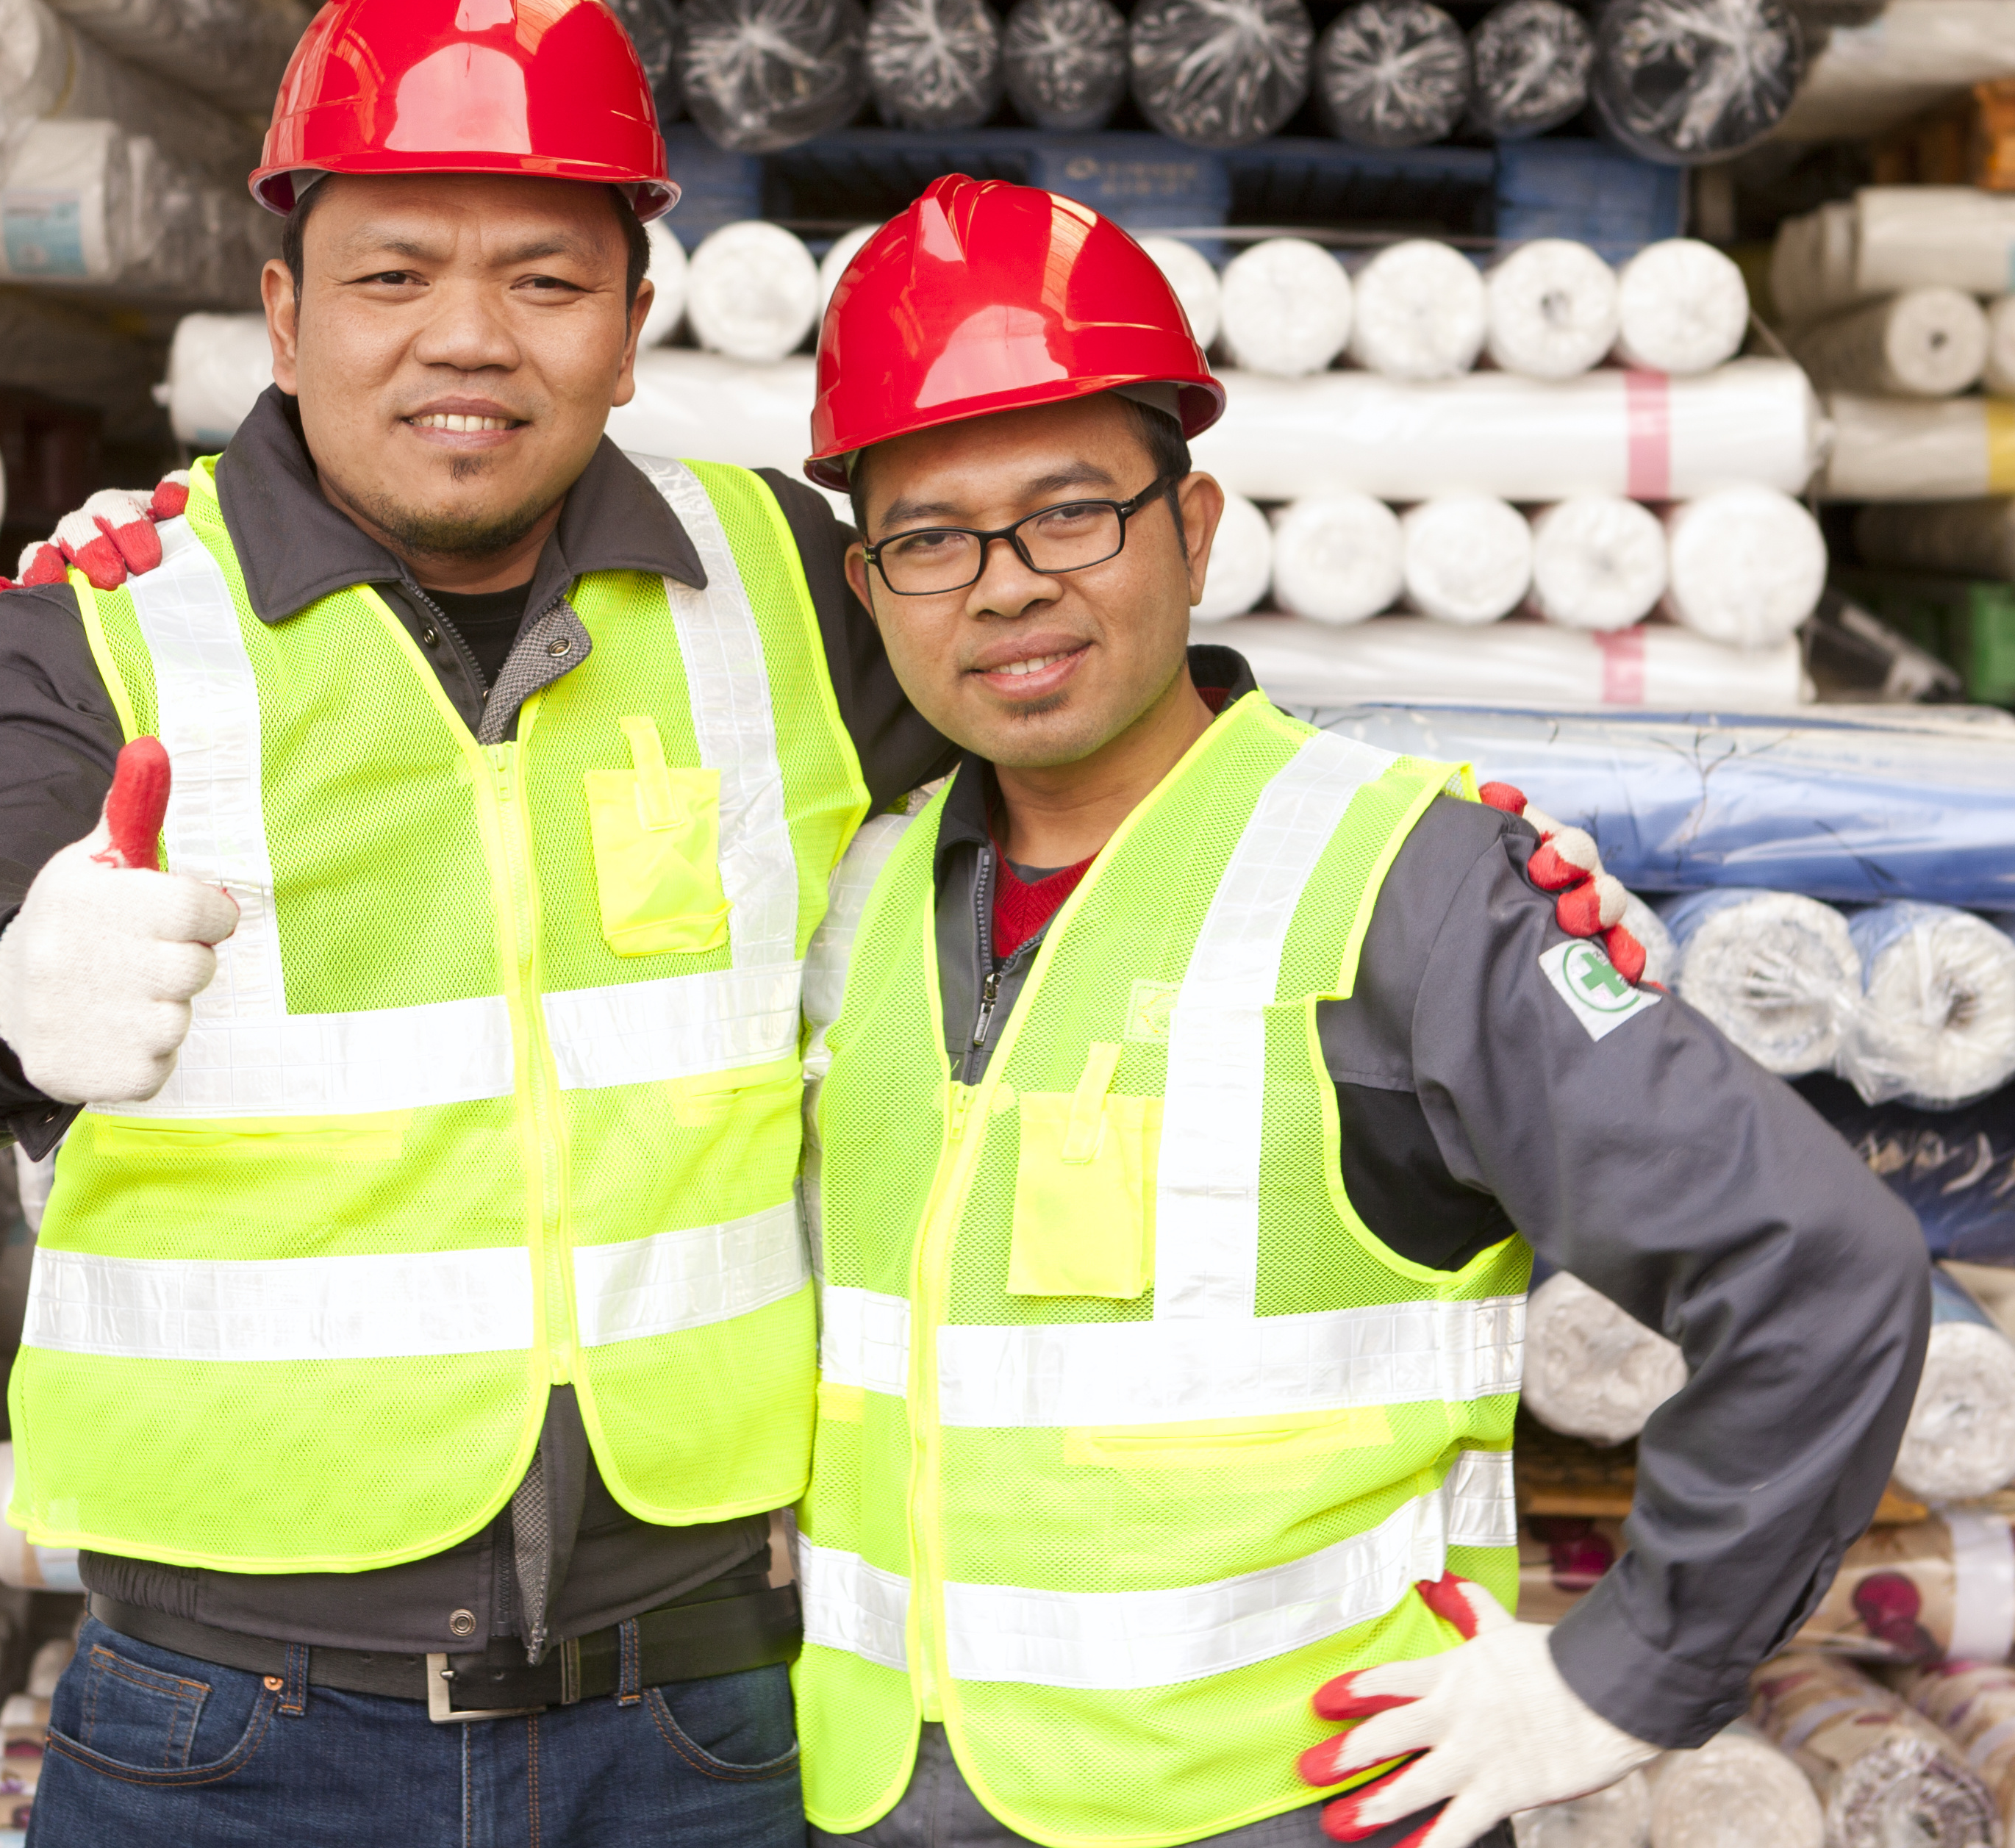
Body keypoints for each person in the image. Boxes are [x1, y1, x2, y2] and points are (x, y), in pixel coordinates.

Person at [0, 0, 946, 1844]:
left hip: (693, 1712)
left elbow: (1080, 764)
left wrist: (1448, 867)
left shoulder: (776, 588)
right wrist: (15, 989)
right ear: (282, 304)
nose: (465, 338)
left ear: (635, 309)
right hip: (232, 1736)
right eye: (391, 276)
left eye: (541, 279)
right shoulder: (110, 627)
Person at [779, 174, 1933, 1848]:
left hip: (1282, 1807)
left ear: (1195, 526)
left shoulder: (1407, 884)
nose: (1007, 583)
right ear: (872, 584)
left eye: (1072, 512)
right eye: (933, 538)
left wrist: (1619, 1677)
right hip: (880, 1800)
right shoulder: (865, 898)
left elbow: (1821, 1276)